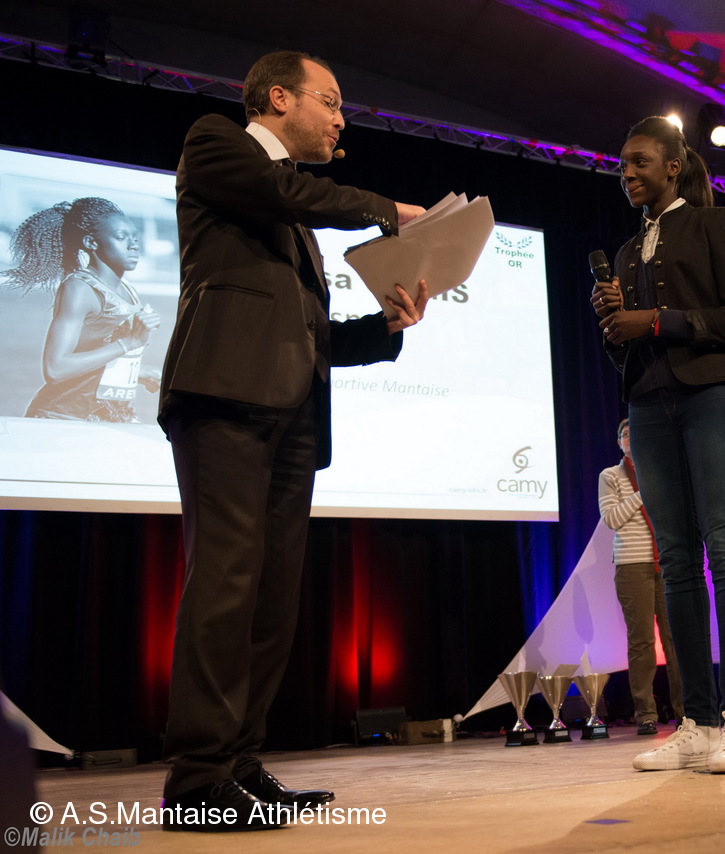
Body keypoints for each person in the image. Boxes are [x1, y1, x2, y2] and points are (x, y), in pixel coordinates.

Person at [157, 50, 428, 831]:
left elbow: (309, 334)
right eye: (331, 102)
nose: (341, 120)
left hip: (294, 413)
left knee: (272, 600)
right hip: (224, 399)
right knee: (225, 586)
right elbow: (281, 189)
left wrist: (385, 328)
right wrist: (386, 209)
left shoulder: (295, 220)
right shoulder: (218, 143)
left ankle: (238, 766)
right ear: (279, 97)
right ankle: (197, 782)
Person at [591, 116, 725, 774]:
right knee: (678, 563)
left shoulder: (716, 224)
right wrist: (615, 327)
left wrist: (656, 320)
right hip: (648, 406)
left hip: (709, 397)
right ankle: (696, 721)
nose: (627, 174)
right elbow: (627, 350)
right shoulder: (626, 252)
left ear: (672, 165)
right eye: (622, 166)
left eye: (639, 162)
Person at [2, 198, 161, 421]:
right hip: (62, 418)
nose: (134, 245)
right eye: (121, 237)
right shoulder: (79, 289)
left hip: (108, 419)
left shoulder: (127, 289)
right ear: (91, 242)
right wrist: (130, 342)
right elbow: (56, 368)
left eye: (135, 237)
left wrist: (137, 373)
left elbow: (97, 354)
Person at [598, 418, 684, 734]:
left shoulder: (661, 469)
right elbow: (612, 519)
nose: (631, 438)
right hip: (632, 565)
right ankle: (645, 713)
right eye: (625, 434)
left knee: (676, 640)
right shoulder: (610, 476)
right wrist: (643, 492)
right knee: (642, 641)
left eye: (636, 432)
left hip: (667, 562)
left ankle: (686, 712)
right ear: (618, 442)